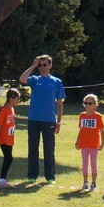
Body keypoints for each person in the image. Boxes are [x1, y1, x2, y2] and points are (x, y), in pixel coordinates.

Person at [19, 54, 65, 184]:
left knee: (49, 149)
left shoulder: (56, 82)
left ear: (50, 66)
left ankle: (50, 177)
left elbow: (60, 103)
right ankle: (32, 175)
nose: (42, 67)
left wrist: (59, 121)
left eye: (45, 65)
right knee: (33, 148)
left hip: (49, 120)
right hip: (34, 119)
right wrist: (33, 65)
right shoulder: (34, 79)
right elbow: (22, 79)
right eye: (40, 65)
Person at [75, 94, 104, 191]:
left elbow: (102, 130)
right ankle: (85, 182)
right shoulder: (82, 115)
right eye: (86, 103)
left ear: (95, 105)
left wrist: (102, 143)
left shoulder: (98, 116)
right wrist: (77, 141)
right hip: (84, 144)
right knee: (84, 164)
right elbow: (81, 130)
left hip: (93, 144)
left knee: (93, 164)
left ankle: (94, 183)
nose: (87, 105)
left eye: (90, 103)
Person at [0, 88, 20, 189]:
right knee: (8, 158)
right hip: (3, 138)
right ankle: (2, 181)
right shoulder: (3, 110)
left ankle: (3, 180)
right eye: (17, 98)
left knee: (9, 158)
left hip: (9, 138)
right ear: (11, 98)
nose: (18, 101)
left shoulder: (11, 109)